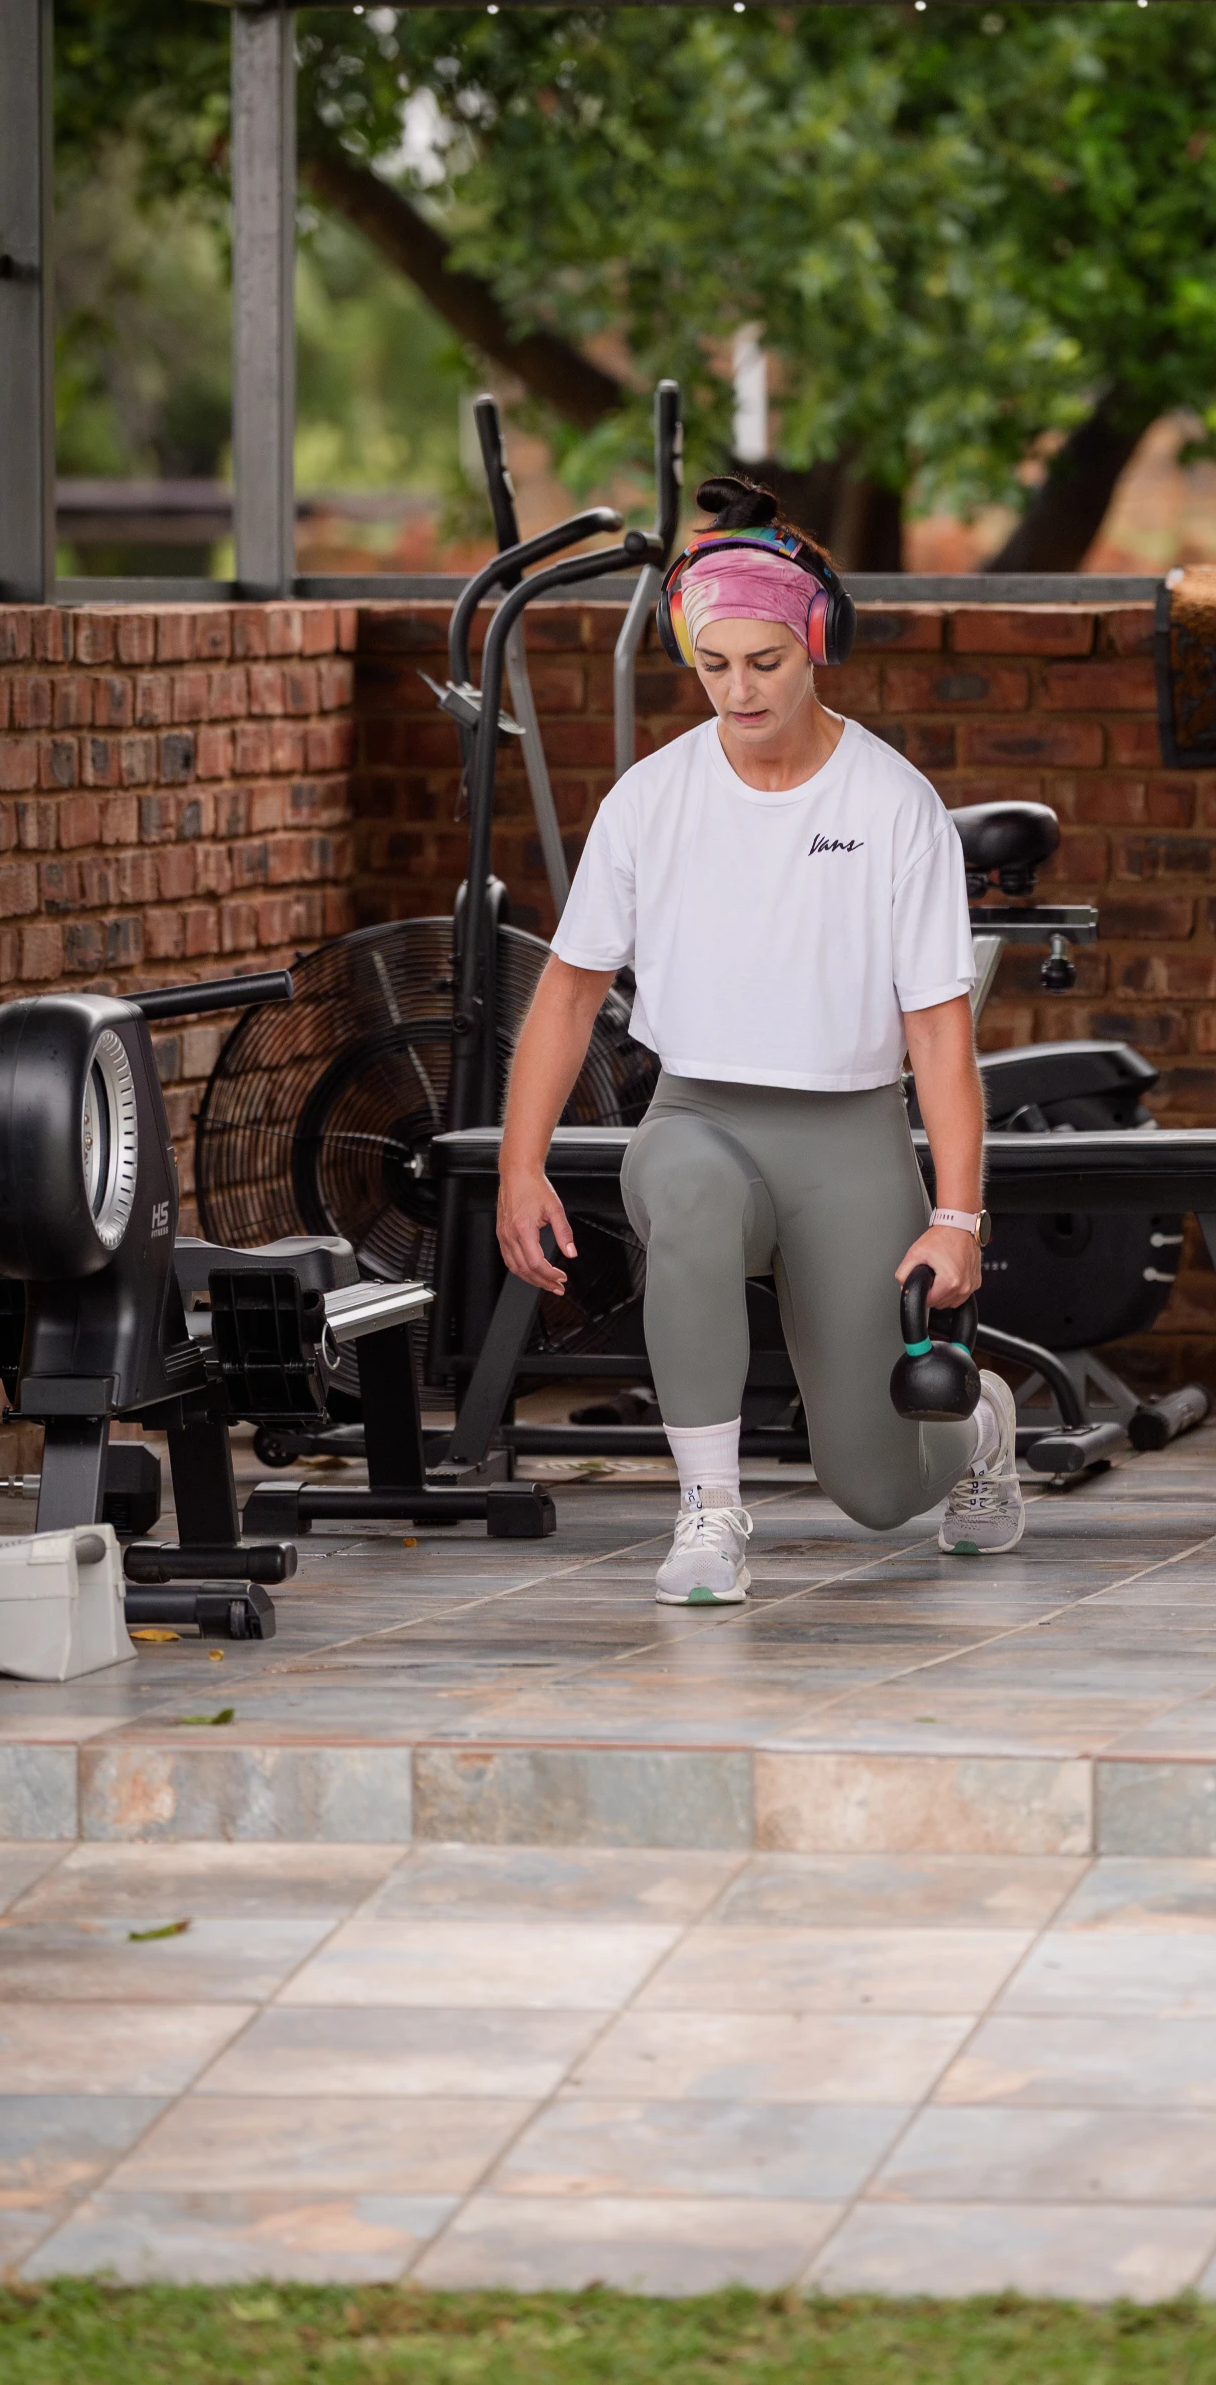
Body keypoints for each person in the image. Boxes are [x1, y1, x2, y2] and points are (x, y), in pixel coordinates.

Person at [495, 475, 1020, 1606]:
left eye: (763, 663)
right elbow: (568, 989)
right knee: (680, 1197)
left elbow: (938, 1034)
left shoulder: (894, 805)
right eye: (712, 665)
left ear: (816, 644)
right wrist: (518, 1162)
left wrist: (957, 1215)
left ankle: (979, 1430)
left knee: (878, 1489)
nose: (736, 690)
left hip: (850, 1140)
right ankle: (707, 1513)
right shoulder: (649, 800)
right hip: (699, 1118)